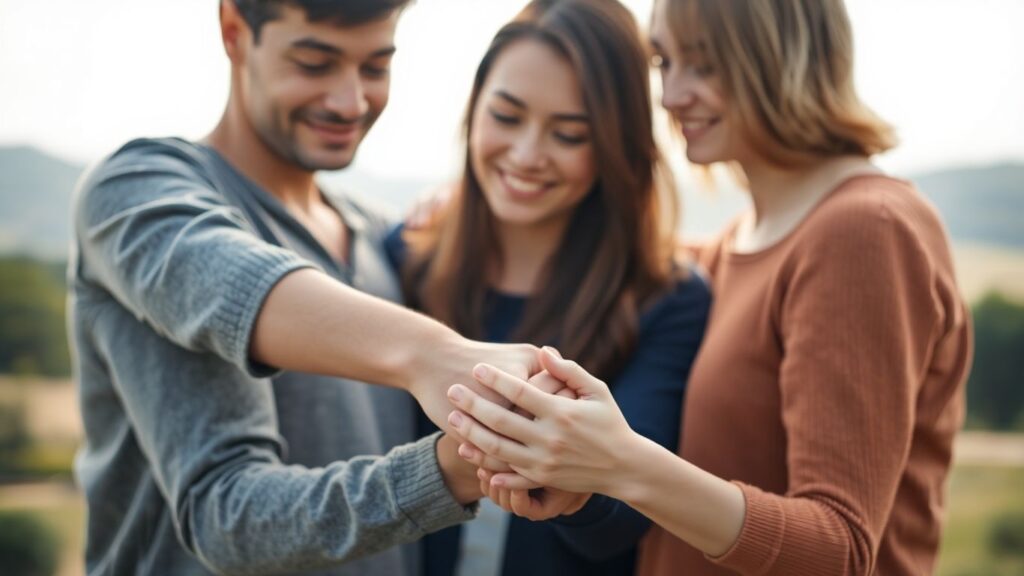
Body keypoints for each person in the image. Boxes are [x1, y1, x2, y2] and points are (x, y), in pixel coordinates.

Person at [445, 0, 973, 575]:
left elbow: (840, 550)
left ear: (783, 57)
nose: (671, 97)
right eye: (664, 63)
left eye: (705, 65)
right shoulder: (733, 245)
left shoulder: (864, 230)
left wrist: (620, 464)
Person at [68, 1, 579, 574]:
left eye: (375, 68)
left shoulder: (377, 237)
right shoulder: (137, 194)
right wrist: (442, 396)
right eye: (314, 63)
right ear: (234, 32)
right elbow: (233, 521)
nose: (350, 102)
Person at [385, 1, 711, 575]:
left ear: (617, 146)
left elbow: (622, 517)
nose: (527, 155)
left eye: (568, 134)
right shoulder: (403, 261)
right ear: (474, 107)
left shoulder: (668, 299)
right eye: (507, 117)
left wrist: (577, 484)